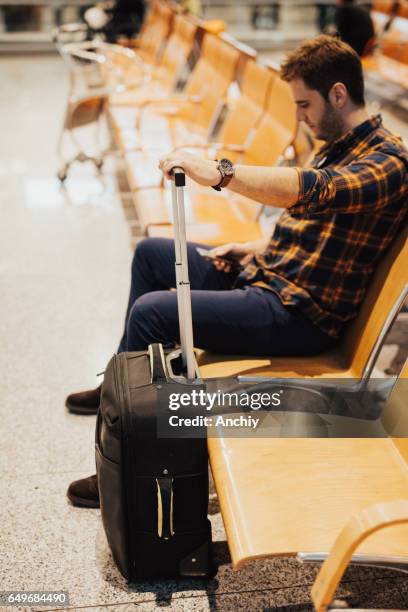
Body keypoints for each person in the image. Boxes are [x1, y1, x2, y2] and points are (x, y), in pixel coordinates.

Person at [66, 35, 408, 508]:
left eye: (304, 104)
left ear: (338, 94)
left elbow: (315, 192)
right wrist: (253, 247)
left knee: (153, 313)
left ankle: (121, 467)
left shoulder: (388, 162)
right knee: (151, 254)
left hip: (296, 315)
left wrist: (221, 173)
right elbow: (314, 226)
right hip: (268, 276)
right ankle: (122, 391)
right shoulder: (341, 144)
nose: (301, 117)